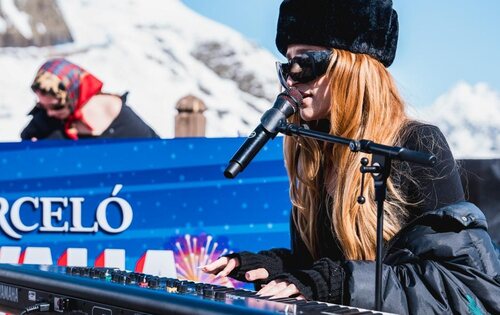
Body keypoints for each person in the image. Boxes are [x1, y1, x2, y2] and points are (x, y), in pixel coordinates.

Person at [202, 0, 500, 314]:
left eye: (305, 63)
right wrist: (274, 266)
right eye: (286, 65)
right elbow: (326, 270)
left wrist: (335, 281)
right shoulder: (315, 155)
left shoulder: (417, 144)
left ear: (352, 68)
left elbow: (460, 288)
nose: (291, 80)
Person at [21, 58, 159, 140]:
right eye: (42, 106)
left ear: (73, 96)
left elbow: (156, 154)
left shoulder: (119, 116)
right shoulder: (43, 121)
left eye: (57, 107)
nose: (50, 113)